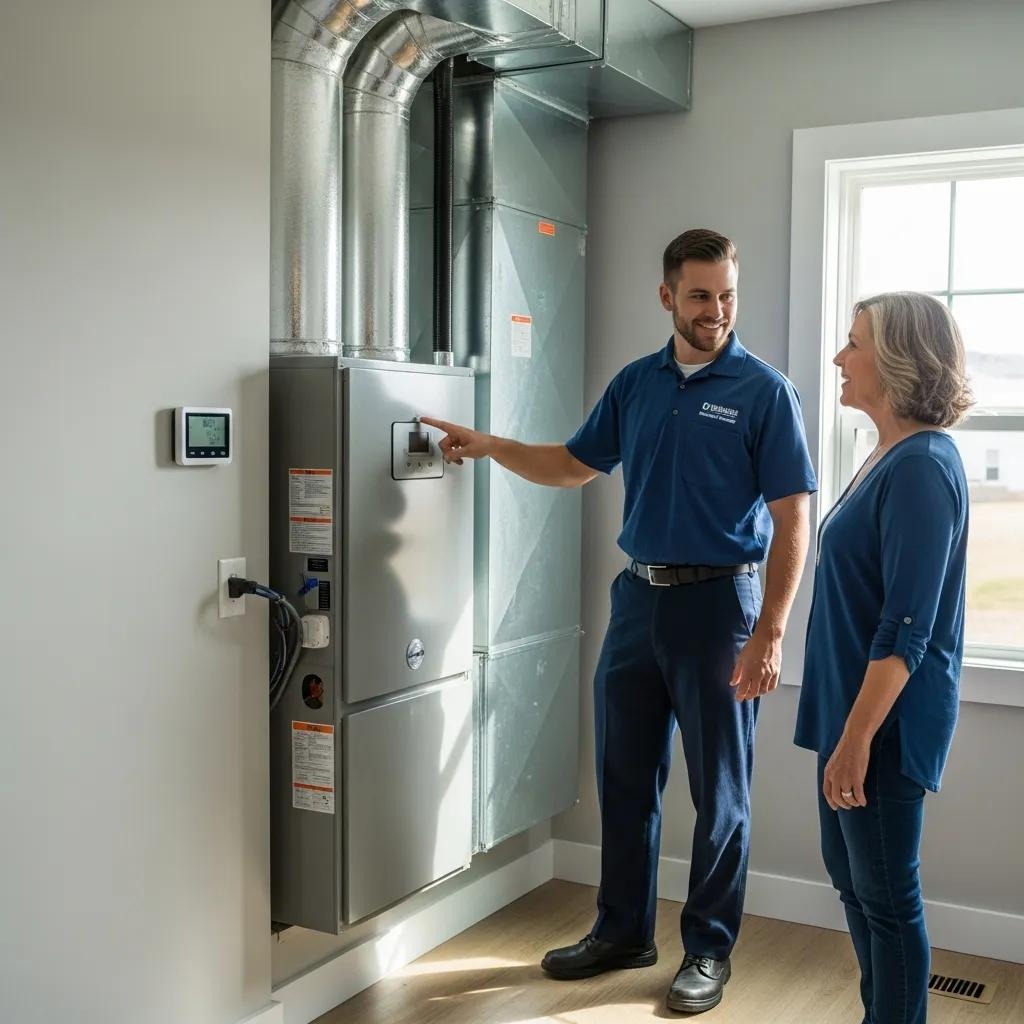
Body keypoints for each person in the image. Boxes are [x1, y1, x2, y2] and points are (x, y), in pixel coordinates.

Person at [423, 228, 817, 1013]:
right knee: (624, 778)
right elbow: (572, 466)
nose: (717, 310)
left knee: (721, 792)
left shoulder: (763, 391)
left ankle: (707, 949)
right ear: (667, 295)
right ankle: (623, 931)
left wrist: (771, 631)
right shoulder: (637, 384)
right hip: (636, 601)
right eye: (701, 295)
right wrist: (493, 444)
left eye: (728, 294)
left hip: (719, 608)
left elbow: (794, 517)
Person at [795, 292, 972, 1024]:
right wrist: (843, 734)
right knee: (855, 884)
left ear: (897, 359)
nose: (839, 356)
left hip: (882, 729)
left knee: (889, 902)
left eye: (853, 342)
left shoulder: (923, 468)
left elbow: (908, 629)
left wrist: (859, 741)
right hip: (849, 718)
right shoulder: (886, 456)